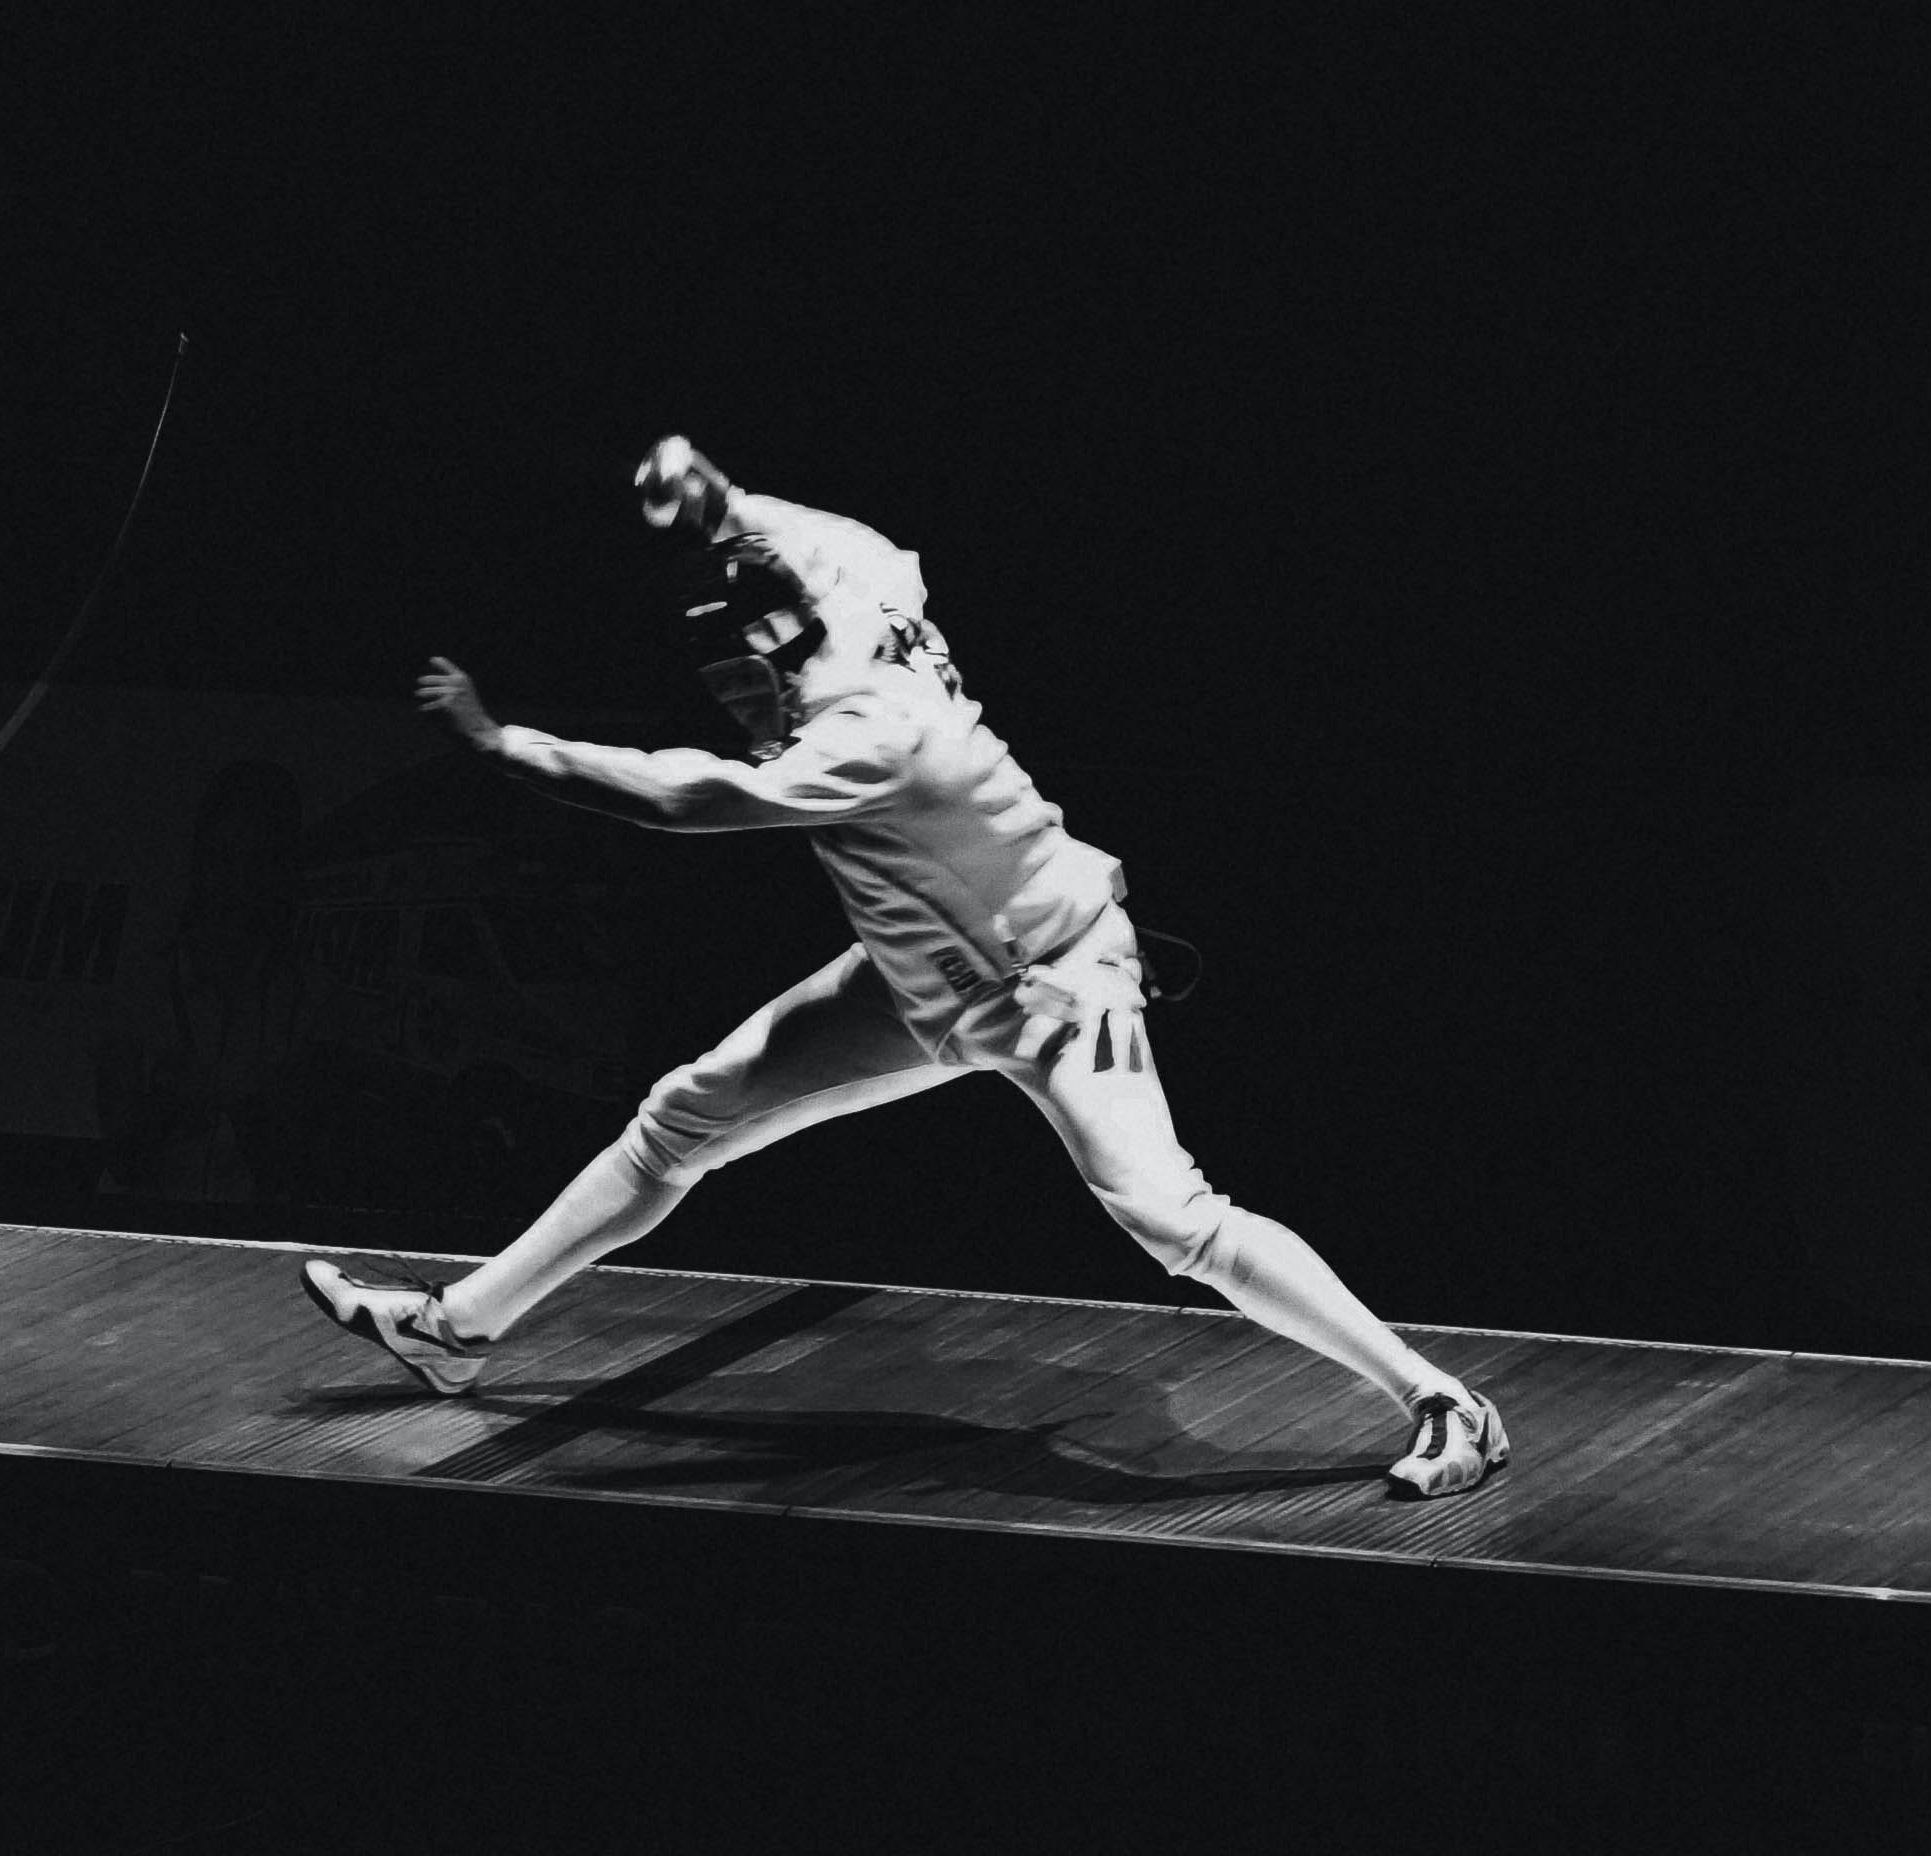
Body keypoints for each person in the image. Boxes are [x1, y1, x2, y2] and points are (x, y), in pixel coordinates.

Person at [301, 436, 1508, 1498]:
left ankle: (1443, 1401)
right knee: (684, 1116)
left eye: (737, 684)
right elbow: (813, 538)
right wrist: (718, 496)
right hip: (912, 984)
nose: (733, 706)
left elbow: (683, 799)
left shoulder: (869, 737)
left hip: (1056, 986)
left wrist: (498, 742)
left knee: (1170, 1218)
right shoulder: (857, 579)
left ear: (775, 659)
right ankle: (459, 1330)